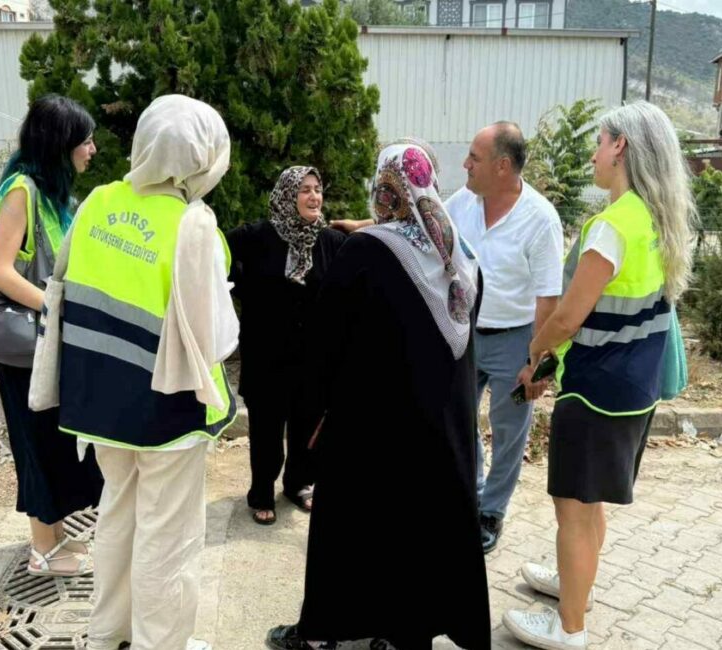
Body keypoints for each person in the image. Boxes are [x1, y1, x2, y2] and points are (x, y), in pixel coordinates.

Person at [267, 142, 490, 650]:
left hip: (371, 427)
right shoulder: (461, 254)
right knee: (420, 533)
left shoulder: (368, 251)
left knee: (352, 530)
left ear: (386, 188)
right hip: (443, 430)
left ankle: (321, 631)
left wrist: (313, 410)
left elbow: (326, 340)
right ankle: (405, 634)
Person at [40, 94, 238, 650]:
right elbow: (219, 338)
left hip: (98, 402)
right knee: (167, 535)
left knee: (118, 516)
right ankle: (160, 643)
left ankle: (107, 634)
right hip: (167, 413)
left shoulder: (97, 202)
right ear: (203, 158)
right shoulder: (193, 224)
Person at [503, 100, 697, 650]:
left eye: (600, 140)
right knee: (590, 505)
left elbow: (567, 316)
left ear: (621, 148)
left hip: (595, 392)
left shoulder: (611, 226)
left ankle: (569, 629)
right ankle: (575, 589)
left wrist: (533, 355)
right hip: (634, 389)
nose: (594, 152)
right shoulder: (656, 218)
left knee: (573, 508)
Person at [333, 123, 565, 554]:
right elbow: (419, 213)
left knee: (509, 429)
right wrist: (364, 226)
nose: (465, 164)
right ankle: (468, 494)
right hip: (462, 335)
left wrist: (538, 362)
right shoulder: (463, 203)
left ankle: (491, 511)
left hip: (516, 339)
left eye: (474, 158)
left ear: (501, 165)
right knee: (459, 420)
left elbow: (548, 299)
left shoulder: (540, 218)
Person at [0, 93, 103, 578]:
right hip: (24, 345)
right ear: (62, 143)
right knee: (34, 440)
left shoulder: (53, 194)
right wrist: (57, 304)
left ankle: (52, 536)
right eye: (86, 139)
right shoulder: (22, 192)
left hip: (48, 342)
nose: (92, 148)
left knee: (54, 440)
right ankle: (42, 550)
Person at [226, 167, 346, 525]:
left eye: (318, 189)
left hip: (312, 357)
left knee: (305, 424)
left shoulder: (330, 242)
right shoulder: (257, 236)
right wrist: (242, 290)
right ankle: (262, 491)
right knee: (265, 427)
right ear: (286, 195)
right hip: (267, 354)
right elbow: (216, 253)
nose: (314, 197)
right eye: (304, 190)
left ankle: (298, 483)